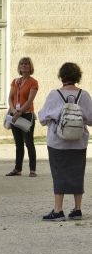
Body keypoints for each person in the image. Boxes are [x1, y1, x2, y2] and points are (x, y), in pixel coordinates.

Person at [38, 62, 92, 221]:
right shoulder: (85, 95)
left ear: (61, 76)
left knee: (59, 173)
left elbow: (42, 118)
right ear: (78, 76)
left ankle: (58, 209)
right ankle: (77, 209)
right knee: (77, 173)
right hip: (79, 142)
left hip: (57, 142)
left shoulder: (54, 95)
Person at [6, 57, 39, 177]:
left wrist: (19, 112)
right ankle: (17, 169)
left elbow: (30, 100)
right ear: (19, 67)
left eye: (26, 64)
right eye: (22, 64)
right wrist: (14, 110)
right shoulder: (15, 81)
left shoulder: (33, 82)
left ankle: (32, 169)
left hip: (26, 115)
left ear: (30, 67)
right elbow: (10, 98)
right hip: (14, 114)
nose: (24, 66)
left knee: (29, 142)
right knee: (18, 144)